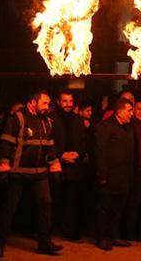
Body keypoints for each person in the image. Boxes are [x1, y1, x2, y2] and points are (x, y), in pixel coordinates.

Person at [0, 90, 62, 257]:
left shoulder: (48, 122)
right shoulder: (17, 118)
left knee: (45, 206)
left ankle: (44, 244)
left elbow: (50, 147)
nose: (47, 106)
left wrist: (55, 166)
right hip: (18, 173)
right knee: (9, 209)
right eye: (44, 103)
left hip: (40, 173)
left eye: (48, 103)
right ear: (32, 102)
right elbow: (6, 144)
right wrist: (3, 165)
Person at [94, 98, 135, 251]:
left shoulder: (128, 128)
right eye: (129, 110)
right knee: (105, 208)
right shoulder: (105, 126)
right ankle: (102, 237)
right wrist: (102, 173)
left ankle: (113, 235)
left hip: (123, 176)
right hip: (109, 175)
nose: (132, 114)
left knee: (118, 208)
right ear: (119, 111)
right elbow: (100, 151)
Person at [51, 90, 90, 242]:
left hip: (74, 167)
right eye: (65, 101)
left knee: (71, 202)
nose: (68, 104)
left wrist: (78, 154)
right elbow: (49, 141)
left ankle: (68, 230)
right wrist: (60, 155)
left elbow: (84, 142)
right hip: (56, 166)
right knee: (54, 199)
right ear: (59, 102)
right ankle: (49, 228)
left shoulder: (78, 120)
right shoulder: (52, 119)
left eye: (70, 101)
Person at [124, 100, 141, 240]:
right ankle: (126, 233)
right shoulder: (128, 125)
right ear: (134, 110)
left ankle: (134, 233)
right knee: (128, 203)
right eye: (139, 109)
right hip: (129, 170)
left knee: (139, 203)